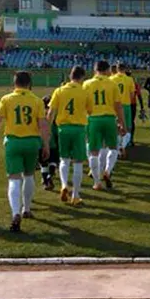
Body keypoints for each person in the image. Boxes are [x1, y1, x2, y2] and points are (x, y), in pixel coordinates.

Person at [0, 71, 50, 232]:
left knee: (14, 179)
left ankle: (15, 212)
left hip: (13, 142)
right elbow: (43, 125)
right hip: (32, 142)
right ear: (29, 83)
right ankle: (27, 209)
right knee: (29, 175)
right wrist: (46, 145)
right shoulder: (37, 101)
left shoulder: (7, 99)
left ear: (14, 83)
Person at [47, 66, 92, 206]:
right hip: (78, 129)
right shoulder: (84, 91)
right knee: (78, 162)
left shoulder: (59, 91)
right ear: (82, 77)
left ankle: (64, 184)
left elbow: (50, 113)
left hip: (63, 129)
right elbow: (90, 110)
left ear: (70, 76)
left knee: (64, 160)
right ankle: (76, 195)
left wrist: (48, 130)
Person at [84, 61, 126, 191]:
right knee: (113, 148)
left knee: (94, 151)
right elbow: (118, 106)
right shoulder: (112, 84)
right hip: (109, 119)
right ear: (107, 70)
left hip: (93, 119)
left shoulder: (87, 84)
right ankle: (107, 171)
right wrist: (121, 123)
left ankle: (97, 182)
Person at [112, 63, 136, 155]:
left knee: (116, 127)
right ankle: (123, 146)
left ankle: (117, 148)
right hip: (125, 105)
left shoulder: (112, 79)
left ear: (117, 69)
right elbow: (132, 95)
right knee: (126, 128)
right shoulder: (129, 79)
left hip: (114, 105)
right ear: (125, 69)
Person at [38, 95, 60, 191]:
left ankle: (45, 180)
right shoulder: (54, 114)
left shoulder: (40, 114)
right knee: (53, 162)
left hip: (41, 142)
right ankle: (50, 176)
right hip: (52, 143)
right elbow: (56, 130)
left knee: (43, 163)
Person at [126, 68, 144, 146]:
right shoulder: (133, 83)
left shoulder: (122, 82)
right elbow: (139, 95)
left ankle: (124, 139)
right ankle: (130, 139)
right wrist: (142, 106)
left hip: (123, 104)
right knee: (131, 122)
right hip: (132, 104)